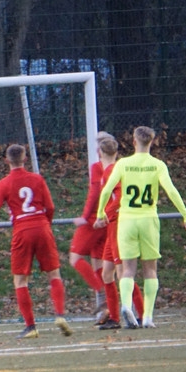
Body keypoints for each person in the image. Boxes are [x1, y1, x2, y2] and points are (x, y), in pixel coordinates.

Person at [95, 126, 186, 328]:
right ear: (152, 142)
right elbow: (171, 191)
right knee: (150, 270)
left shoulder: (123, 164)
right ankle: (148, 316)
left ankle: (126, 306)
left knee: (127, 270)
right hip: (148, 219)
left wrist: (100, 213)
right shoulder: (157, 165)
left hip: (127, 220)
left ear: (134, 141)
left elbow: (106, 191)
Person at [0, 143, 72, 339]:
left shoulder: (4, 184)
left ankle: (31, 326)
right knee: (54, 274)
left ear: (6, 161)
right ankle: (60, 314)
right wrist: (46, 225)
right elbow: (50, 207)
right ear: (25, 159)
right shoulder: (37, 179)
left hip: (22, 231)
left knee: (20, 280)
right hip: (42, 227)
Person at [95, 134, 145, 330]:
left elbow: (121, 197)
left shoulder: (112, 171)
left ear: (100, 152)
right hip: (112, 227)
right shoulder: (114, 169)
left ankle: (142, 315)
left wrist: (104, 215)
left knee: (123, 273)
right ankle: (114, 318)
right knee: (107, 274)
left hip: (118, 225)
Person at [68, 134, 108, 317]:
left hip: (94, 220)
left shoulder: (97, 167)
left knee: (75, 259)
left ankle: (102, 294)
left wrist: (85, 217)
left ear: (100, 149)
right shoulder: (118, 166)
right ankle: (108, 310)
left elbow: (95, 192)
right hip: (108, 219)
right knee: (99, 263)